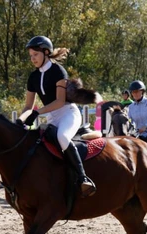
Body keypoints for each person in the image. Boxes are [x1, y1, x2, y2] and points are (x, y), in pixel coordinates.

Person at [20, 35, 96, 197]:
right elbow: (28, 106)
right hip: (51, 117)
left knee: (62, 137)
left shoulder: (58, 71)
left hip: (68, 113)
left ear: (46, 52)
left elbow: (60, 102)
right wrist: (19, 121)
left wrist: (37, 113)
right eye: (31, 56)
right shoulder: (33, 77)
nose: (32, 59)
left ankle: (83, 178)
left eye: (35, 55)